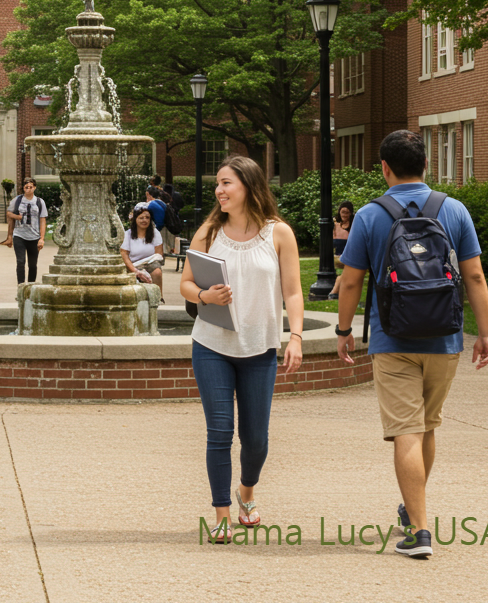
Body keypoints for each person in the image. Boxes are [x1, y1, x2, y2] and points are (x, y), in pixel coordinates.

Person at [335, 130, 488, 560]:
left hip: (392, 339)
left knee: (406, 430)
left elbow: (350, 280)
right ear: (426, 165)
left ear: (384, 168)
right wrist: (486, 333)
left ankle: (419, 532)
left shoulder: (369, 215)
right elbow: (476, 277)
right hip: (444, 337)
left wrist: (343, 330)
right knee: (426, 426)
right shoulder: (454, 210)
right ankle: (415, 508)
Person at [178, 156, 304, 544]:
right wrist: (204, 295)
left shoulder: (279, 233)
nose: (219, 190)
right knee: (219, 433)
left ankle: (246, 491)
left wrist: (296, 337)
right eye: (218, 183)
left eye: (227, 182)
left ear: (248, 185)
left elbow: (294, 291)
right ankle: (221, 516)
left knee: (256, 439)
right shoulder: (209, 232)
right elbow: (184, 284)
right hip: (212, 345)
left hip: (259, 349)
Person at [3, 177, 47, 283]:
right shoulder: (17, 200)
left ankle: (30, 287)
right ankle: (21, 287)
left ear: (34, 188)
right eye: (26, 187)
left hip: (34, 236)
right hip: (19, 235)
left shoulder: (40, 202)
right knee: (20, 262)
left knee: (32, 265)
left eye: (31, 187)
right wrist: (16, 217)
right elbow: (8, 213)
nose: (28, 189)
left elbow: (42, 220)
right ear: (23, 188)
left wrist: (41, 238)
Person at [121, 207, 165, 302]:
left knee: (157, 272)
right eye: (141, 218)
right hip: (133, 264)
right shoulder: (128, 234)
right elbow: (124, 254)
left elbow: (159, 254)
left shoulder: (155, 233)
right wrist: (136, 271)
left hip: (150, 262)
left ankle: (158, 298)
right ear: (135, 219)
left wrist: (146, 267)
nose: (144, 220)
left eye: (147, 217)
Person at [333, 200, 355, 295]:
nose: (345, 215)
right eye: (343, 212)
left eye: (347, 212)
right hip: (337, 257)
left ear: (351, 213)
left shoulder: (354, 226)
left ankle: (333, 292)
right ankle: (334, 292)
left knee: (345, 274)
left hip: (349, 257)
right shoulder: (335, 226)